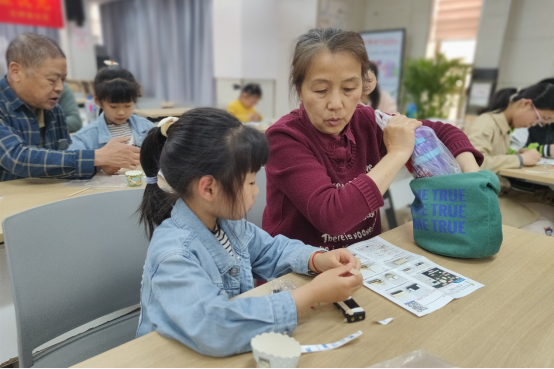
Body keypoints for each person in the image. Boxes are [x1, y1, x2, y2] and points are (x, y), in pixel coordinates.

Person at [136, 108, 363, 357]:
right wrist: (311, 295)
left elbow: (270, 251)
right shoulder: (173, 255)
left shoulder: (227, 223)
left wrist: (316, 259)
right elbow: (216, 327)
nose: (257, 192)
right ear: (209, 188)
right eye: (251, 183)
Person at [263, 28, 483, 250]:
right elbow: (332, 217)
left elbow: (443, 132)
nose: (336, 103)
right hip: (296, 273)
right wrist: (397, 152)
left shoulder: (368, 121)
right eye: (321, 90)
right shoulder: (283, 138)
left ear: (363, 85)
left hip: (364, 261)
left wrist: (473, 177)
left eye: (349, 88)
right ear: (300, 90)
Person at [0, 33, 140, 182]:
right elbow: (17, 158)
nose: (60, 87)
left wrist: (100, 164)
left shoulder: (55, 112)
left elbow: (62, 160)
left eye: (63, 79)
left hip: (48, 197)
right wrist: (97, 157)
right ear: (16, 71)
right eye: (52, 80)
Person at [468, 83, 554, 229]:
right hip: (484, 197)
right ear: (526, 104)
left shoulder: (505, 127)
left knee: (549, 198)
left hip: (500, 192)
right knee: (545, 224)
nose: (534, 124)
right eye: (542, 118)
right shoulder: (487, 122)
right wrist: (519, 159)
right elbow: (473, 164)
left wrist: (517, 155)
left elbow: (494, 154)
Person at [69, 66, 154, 174]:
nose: (121, 112)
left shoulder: (147, 128)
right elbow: (69, 162)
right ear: (98, 101)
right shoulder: (85, 137)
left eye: (127, 105)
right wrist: (99, 164)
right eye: (113, 106)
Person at [510, 83, 554, 158]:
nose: (533, 123)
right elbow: (513, 150)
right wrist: (544, 150)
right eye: (543, 117)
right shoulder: (522, 121)